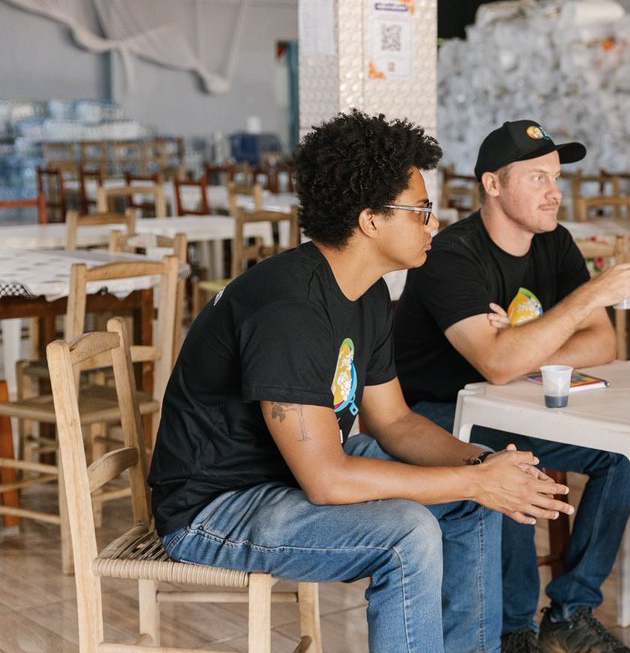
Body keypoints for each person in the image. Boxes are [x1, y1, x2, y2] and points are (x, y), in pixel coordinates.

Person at [150, 110, 575, 653]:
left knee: (471, 499)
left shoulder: (368, 292)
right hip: (217, 508)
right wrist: (473, 480)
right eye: (421, 210)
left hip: (285, 479)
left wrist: (480, 466)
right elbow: (328, 479)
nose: (434, 223)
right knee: (408, 533)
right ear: (371, 220)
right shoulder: (290, 309)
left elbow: (394, 421)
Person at [393, 119, 630, 653]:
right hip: (433, 413)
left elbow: (603, 344)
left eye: (556, 178)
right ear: (493, 184)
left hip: (514, 400)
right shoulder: (452, 254)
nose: (554, 193)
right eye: (537, 179)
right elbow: (497, 363)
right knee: (510, 457)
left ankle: (570, 611)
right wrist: (579, 302)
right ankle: (513, 629)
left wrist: (522, 341)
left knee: (623, 456)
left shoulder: (554, 243)